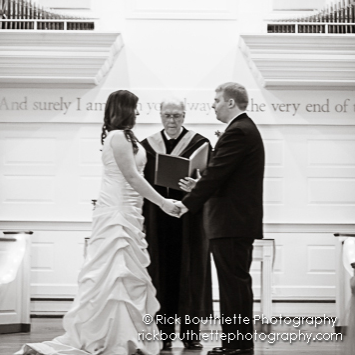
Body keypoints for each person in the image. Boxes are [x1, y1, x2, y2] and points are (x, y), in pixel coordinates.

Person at [18, 90, 181, 355]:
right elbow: (132, 176)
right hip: (117, 214)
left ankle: (127, 335)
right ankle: (112, 337)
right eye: (135, 108)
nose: (139, 113)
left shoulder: (128, 136)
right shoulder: (117, 137)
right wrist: (163, 202)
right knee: (115, 274)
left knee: (128, 276)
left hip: (130, 213)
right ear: (125, 109)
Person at [176, 82, 264, 355]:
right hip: (234, 221)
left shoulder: (238, 131)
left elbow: (215, 175)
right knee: (236, 284)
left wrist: (186, 204)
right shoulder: (243, 130)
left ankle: (237, 346)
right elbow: (224, 178)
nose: (212, 105)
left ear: (230, 103)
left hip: (231, 223)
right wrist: (197, 188)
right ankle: (238, 344)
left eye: (216, 100)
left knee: (233, 285)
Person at [140, 100, 212, 350]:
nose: (172, 121)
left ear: (185, 115)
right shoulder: (147, 147)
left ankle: (191, 334)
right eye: (167, 115)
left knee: (191, 275)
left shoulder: (200, 144)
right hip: (158, 219)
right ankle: (164, 335)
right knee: (161, 276)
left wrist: (197, 185)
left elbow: (210, 180)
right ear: (160, 115)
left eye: (177, 116)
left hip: (189, 219)